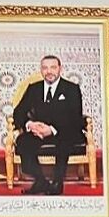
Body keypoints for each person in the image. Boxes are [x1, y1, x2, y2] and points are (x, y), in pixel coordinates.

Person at [10, 53, 83, 193]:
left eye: (53, 67)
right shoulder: (34, 88)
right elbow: (18, 112)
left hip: (64, 131)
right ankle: (40, 181)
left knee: (64, 140)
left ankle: (57, 183)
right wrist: (30, 125)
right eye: (45, 68)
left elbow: (75, 118)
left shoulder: (72, 89)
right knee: (23, 141)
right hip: (38, 131)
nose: (49, 71)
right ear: (41, 70)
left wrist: (52, 129)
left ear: (60, 69)